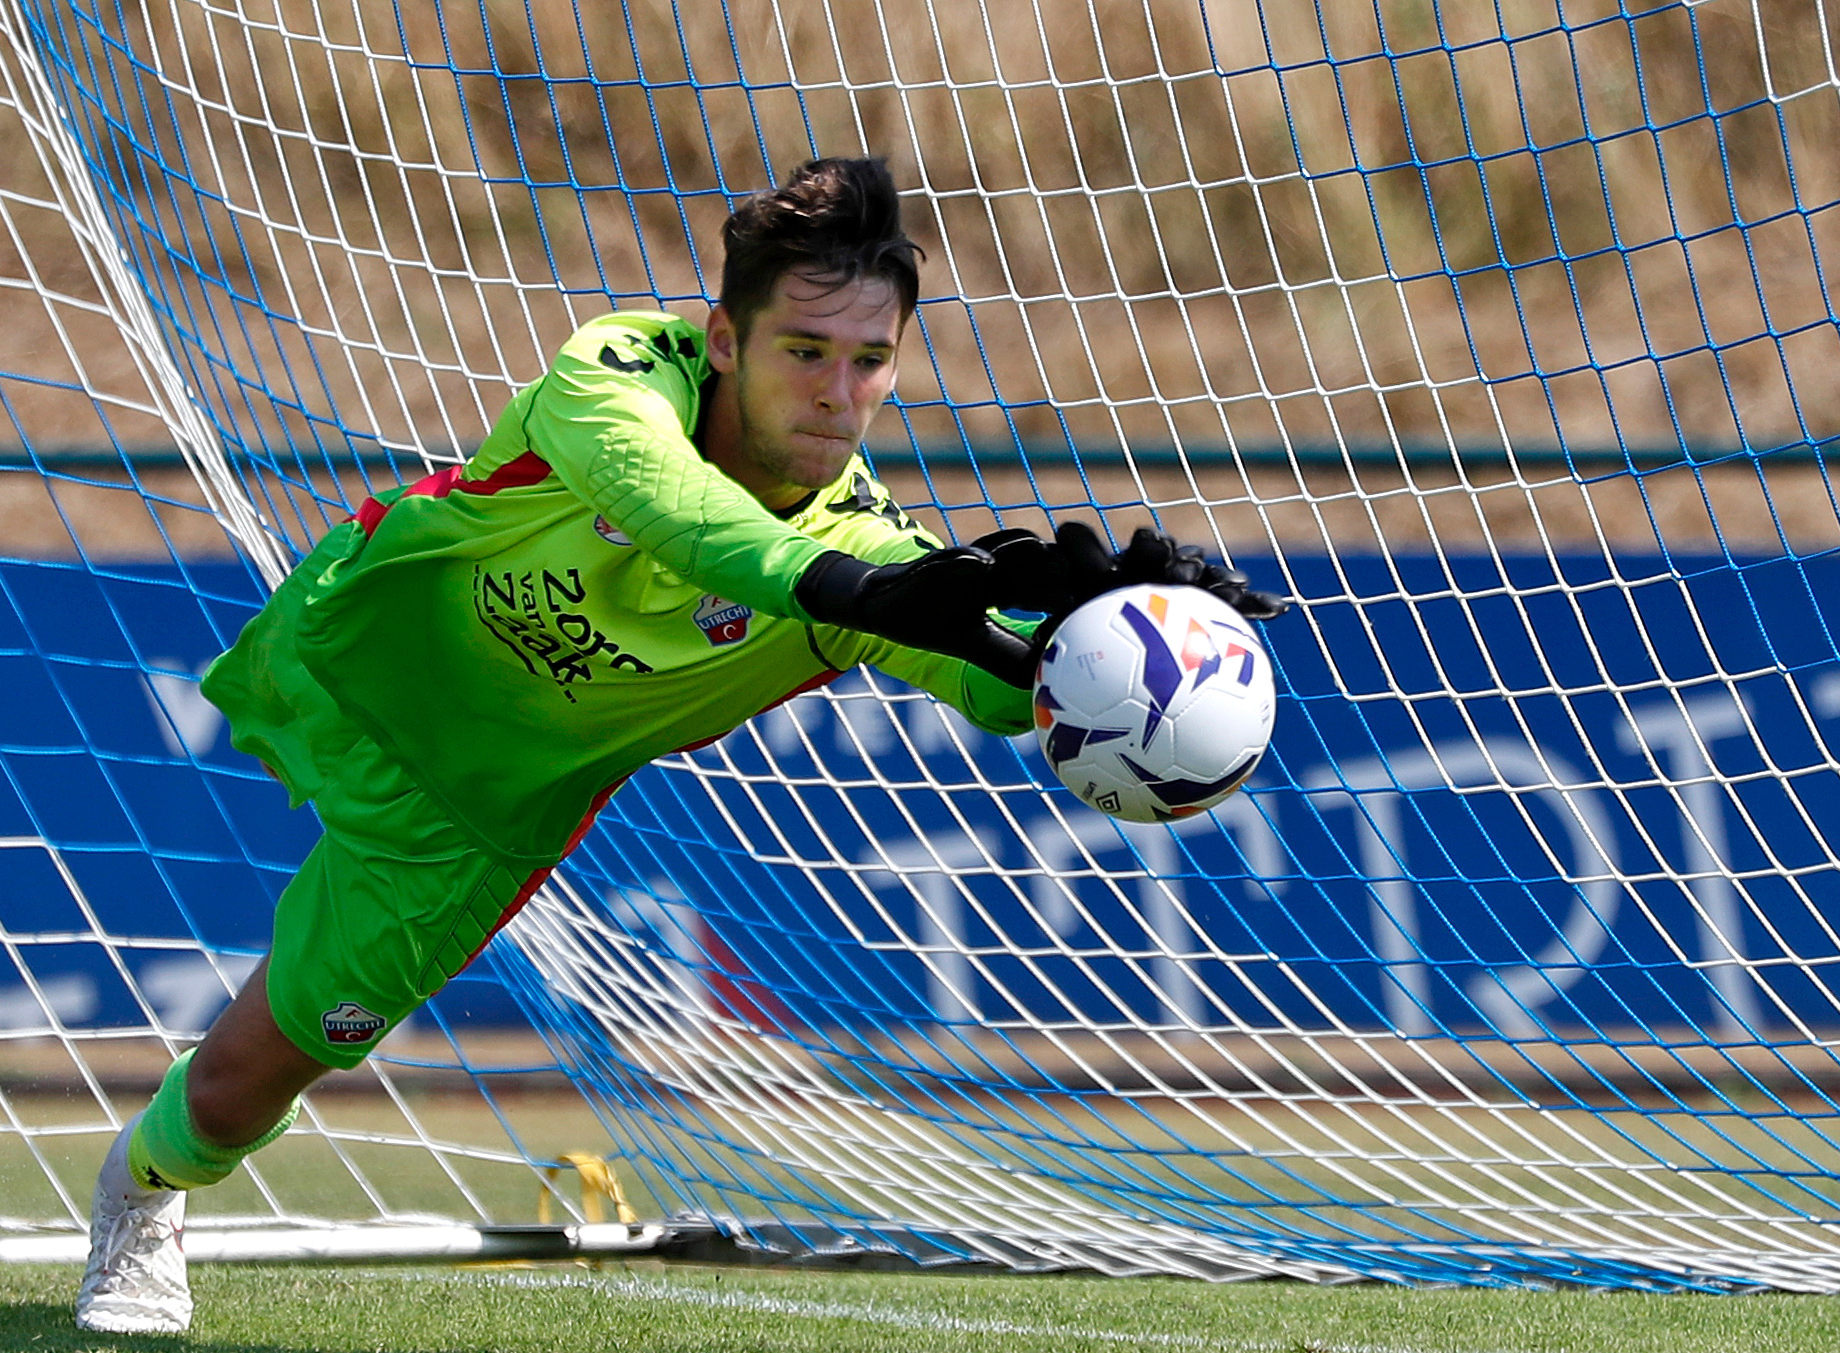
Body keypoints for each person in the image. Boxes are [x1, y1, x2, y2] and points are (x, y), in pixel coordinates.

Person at [73, 156, 1281, 1334]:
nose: (838, 392)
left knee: (235, 1093)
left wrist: (1103, 642)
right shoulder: (616, 374)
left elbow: (987, 677)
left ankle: (140, 1189)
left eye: (869, 360)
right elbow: (689, 520)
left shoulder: (868, 550)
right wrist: (865, 592)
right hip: (355, 649)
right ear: (723, 339)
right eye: (804, 350)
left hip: (471, 814)